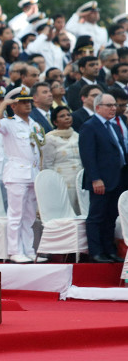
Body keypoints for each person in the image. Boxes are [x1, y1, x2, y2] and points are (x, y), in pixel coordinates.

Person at [0, 87, 46, 263]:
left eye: (28, 101)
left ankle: (28, 249)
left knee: (29, 215)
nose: (27, 105)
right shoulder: (9, 123)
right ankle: (14, 250)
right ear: (14, 106)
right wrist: (4, 103)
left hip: (33, 173)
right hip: (16, 174)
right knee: (16, 215)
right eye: (22, 102)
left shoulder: (35, 124)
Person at [78, 93, 127, 263]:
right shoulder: (89, 126)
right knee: (97, 216)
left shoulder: (112, 125)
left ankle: (109, 250)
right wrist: (95, 178)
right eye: (109, 105)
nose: (113, 108)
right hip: (100, 180)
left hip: (117, 178)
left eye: (114, 105)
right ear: (98, 107)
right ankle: (96, 251)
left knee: (111, 216)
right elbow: (88, 156)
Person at [43, 106, 82, 214]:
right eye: (62, 116)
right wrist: (52, 183)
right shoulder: (50, 139)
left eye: (68, 115)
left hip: (78, 180)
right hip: (62, 181)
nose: (67, 118)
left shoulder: (77, 136)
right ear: (55, 122)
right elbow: (47, 164)